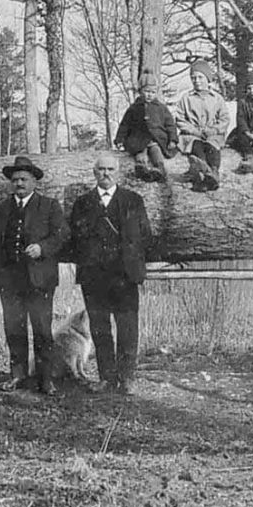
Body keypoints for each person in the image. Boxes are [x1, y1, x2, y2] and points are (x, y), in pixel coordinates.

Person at [68, 153, 152, 395]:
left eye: (110, 169)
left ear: (118, 172)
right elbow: (75, 239)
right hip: (94, 277)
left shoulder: (133, 200)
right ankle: (106, 377)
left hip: (124, 277)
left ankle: (126, 378)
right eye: (101, 169)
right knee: (100, 328)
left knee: (128, 328)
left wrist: (132, 262)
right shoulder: (83, 203)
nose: (106, 173)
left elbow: (145, 235)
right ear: (94, 173)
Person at [0, 156, 69, 396]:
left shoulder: (49, 206)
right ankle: (17, 375)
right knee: (14, 329)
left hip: (39, 280)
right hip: (10, 281)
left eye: (24, 179)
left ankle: (45, 379)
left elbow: (63, 234)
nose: (19, 183)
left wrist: (42, 248)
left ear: (34, 181)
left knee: (42, 330)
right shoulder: (1, 210)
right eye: (15, 180)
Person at [175, 59, 230, 192]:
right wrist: (194, 131)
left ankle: (213, 173)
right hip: (193, 135)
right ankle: (203, 173)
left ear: (208, 78)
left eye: (200, 77)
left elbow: (224, 118)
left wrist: (213, 130)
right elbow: (180, 119)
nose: (197, 81)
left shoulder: (217, 98)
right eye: (193, 78)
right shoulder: (186, 98)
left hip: (212, 134)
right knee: (197, 146)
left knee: (212, 147)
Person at [113, 75, 179, 182]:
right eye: (147, 91)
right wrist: (119, 139)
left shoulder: (161, 108)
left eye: (153, 92)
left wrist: (173, 139)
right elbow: (125, 125)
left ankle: (160, 171)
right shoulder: (134, 108)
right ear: (140, 91)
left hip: (155, 139)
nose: (149, 95)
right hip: (138, 139)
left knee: (156, 153)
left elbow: (170, 124)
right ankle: (141, 169)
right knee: (140, 155)